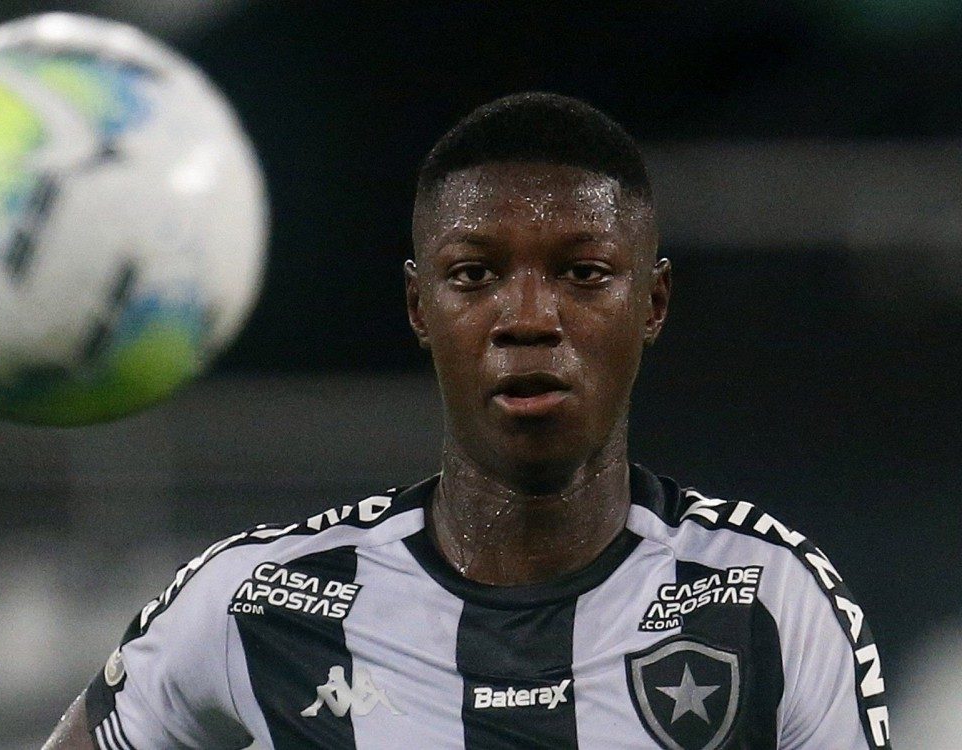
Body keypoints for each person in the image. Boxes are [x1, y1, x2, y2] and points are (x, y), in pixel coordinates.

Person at [44, 93, 890, 749]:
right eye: (475, 275)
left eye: (584, 274)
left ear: (653, 302)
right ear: (420, 307)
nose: (528, 318)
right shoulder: (258, 603)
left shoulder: (763, 602)